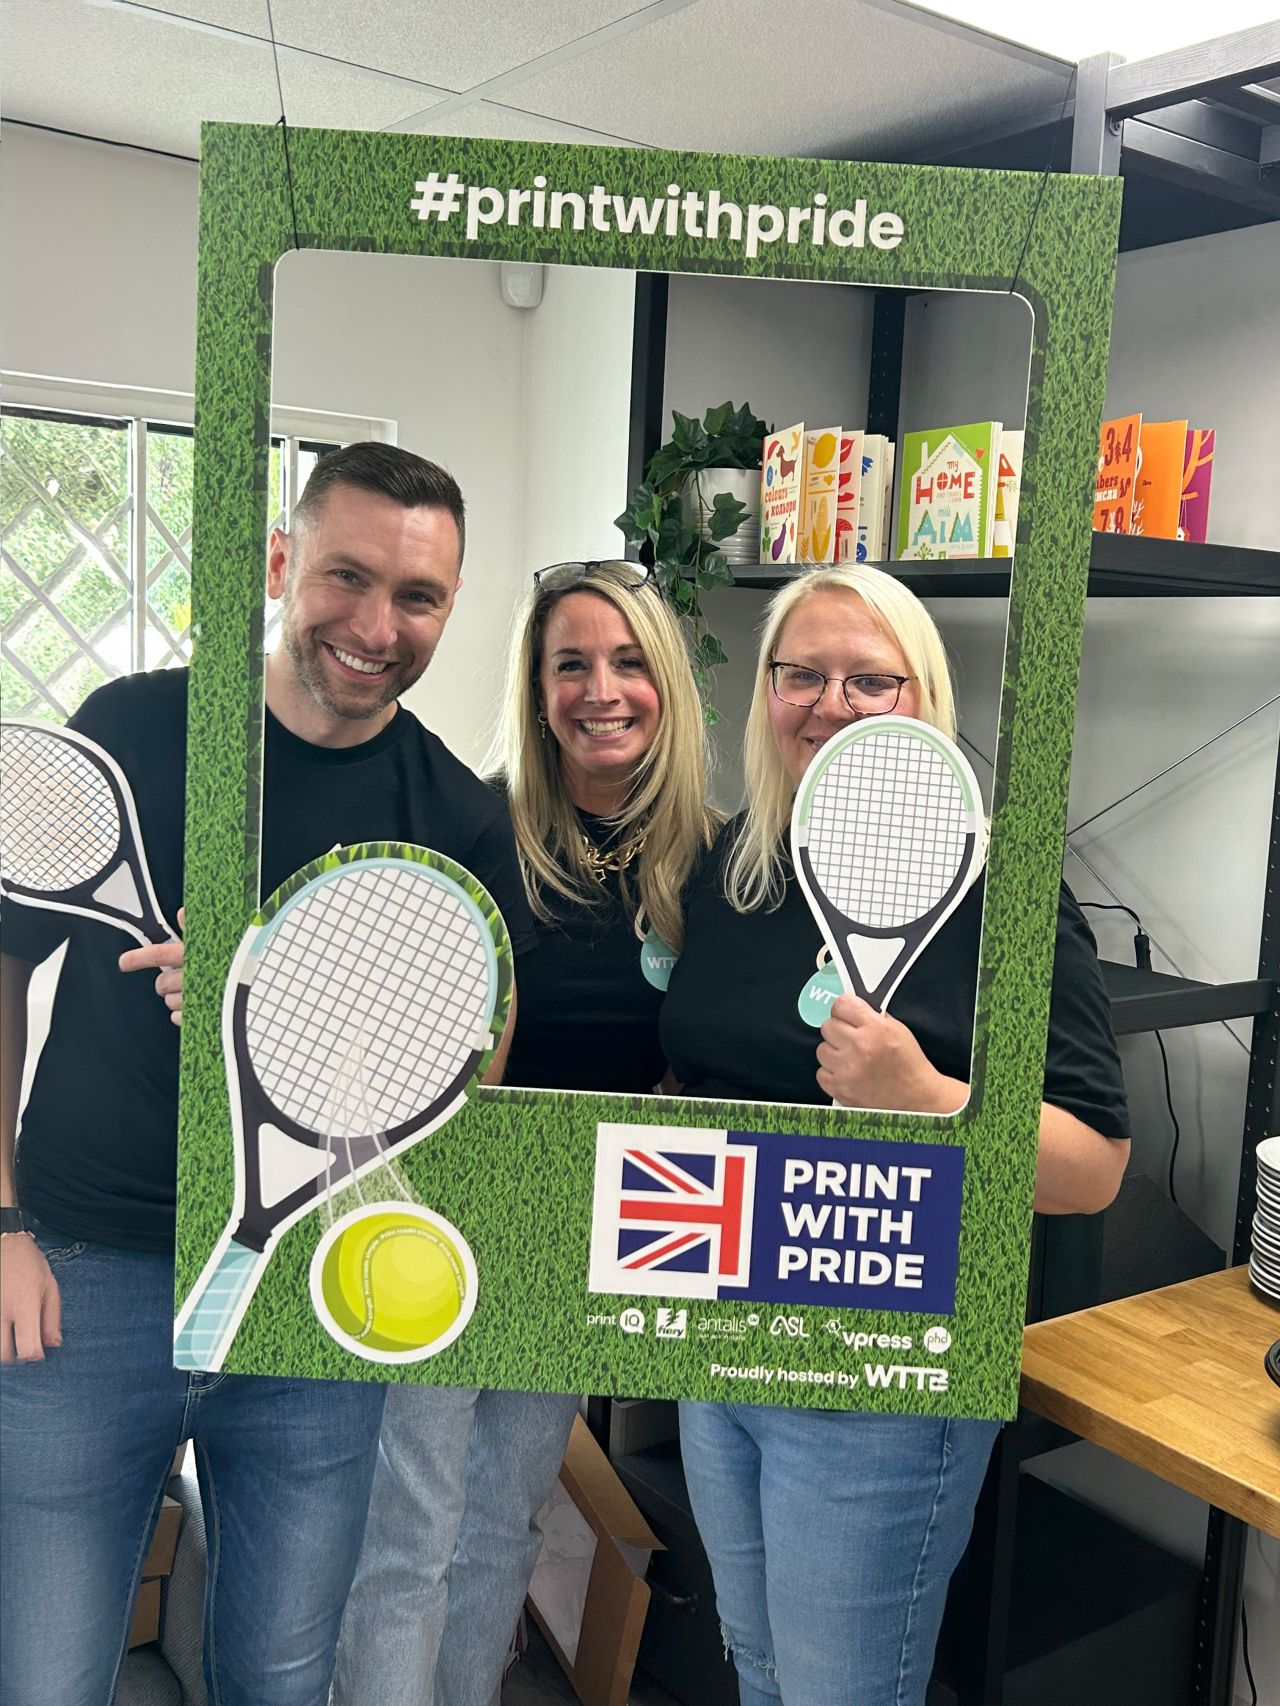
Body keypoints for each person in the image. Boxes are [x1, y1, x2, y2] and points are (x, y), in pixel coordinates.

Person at [0, 443, 535, 1706]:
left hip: (306, 1306)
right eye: (347, 575)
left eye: (418, 597)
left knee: (283, 1675)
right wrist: (2, 1218)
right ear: (284, 561)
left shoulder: (453, 814)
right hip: (84, 1281)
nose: (375, 624)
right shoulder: (133, 728)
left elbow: (477, 1067)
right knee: (46, 1672)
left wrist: (298, 1017)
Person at [659, 563, 1131, 1706]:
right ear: (765, 689)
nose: (829, 702)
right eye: (800, 674)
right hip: (717, 1340)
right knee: (758, 1666)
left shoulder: (1002, 886)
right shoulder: (734, 868)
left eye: (868, 677)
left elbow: (1093, 1166)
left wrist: (928, 1096)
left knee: (842, 1690)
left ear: (921, 697)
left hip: (883, 1374)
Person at [333, 560, 718, 1706]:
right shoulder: (478, 827)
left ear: (667, 683)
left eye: (628, 661)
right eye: (570, 664)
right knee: (408, 1523)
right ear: (536, 686)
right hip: (447, 1210)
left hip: (579, 1221)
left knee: (501, 1513)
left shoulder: (712, 853)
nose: (601, 689)